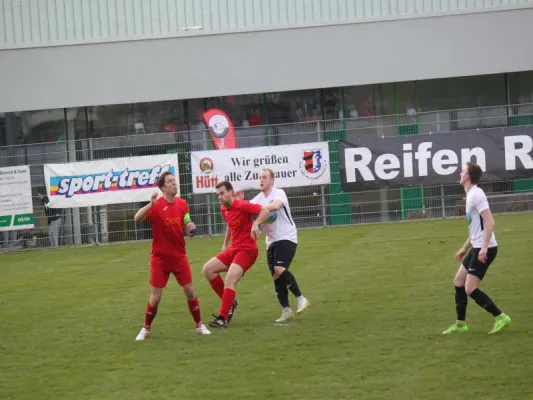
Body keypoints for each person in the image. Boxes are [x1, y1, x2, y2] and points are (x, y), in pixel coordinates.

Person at [133, 171, 211, 340]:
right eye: (170, 181)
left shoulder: (182, 203)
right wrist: (150, 204)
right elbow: (136, 219)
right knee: (155, 298)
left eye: (174, 180)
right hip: (159, 259)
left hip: (179, 257)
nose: (174, 183)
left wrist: (190, 226)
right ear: (163, 187)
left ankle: (199, 325)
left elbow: (187, 220)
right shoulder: (156, 206)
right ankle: (146, 328)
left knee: (190, 292)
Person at [442, 162, 511, 335]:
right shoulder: (471, 195)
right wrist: (465, 247)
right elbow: (476, 228)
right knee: (459, 281)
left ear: (467, 177)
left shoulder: (476, 195)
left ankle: (500, 316)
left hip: (485, 248)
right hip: (478, 246)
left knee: (470, 288)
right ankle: (460, 324)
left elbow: (490, 221)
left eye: (462, 171)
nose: (460, 173)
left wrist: (484, 248)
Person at [236, 168, 310, 322]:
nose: (261, 180)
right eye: (259, 178)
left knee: (279, 269)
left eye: (264, 177)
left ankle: (301, 298)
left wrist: (259, 216)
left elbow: (275, 206)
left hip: (287, 237)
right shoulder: (257, 199)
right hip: (271, 241)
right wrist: (239, 202)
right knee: (276, 276)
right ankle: (286, 310)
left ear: (272, 180)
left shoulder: (279, 193)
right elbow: (243, 210)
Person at [202, 180, 270, 328]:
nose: (220, 197)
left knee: (229, 279)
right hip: (234, 249)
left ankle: (222, 318)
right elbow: (229, 223)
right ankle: (230, 302)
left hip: (247, 250)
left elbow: (264, 210)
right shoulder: (223, 209)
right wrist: (225, 243)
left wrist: (255, 223)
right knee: (207, 269)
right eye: (218, 194)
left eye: (222, 193)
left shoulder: (242, 205)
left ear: (231, 192)